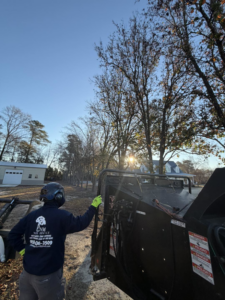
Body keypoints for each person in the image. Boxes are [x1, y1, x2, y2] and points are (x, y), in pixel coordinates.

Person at [8, 182, 102, 300]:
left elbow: (13, 235)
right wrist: (93, 206)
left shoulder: (32, 216)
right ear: (58, 196)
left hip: (26, 275)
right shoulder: (62, 216)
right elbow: (81, 223)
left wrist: (22, 250)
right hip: (48, 277)